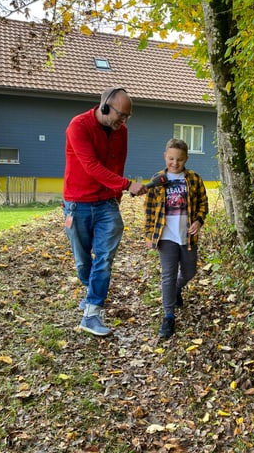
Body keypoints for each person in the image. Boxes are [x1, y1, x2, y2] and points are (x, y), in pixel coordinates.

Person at [62, 87, 147, 336]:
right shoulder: (78, 126)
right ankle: (92, 295)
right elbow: (92, 166)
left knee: (104, 258)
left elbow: (118, 164)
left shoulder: (122, 132)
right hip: (77, 204)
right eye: (121, 115)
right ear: (105, 107)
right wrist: (127, 185)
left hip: (107, 202)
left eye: (127, 117)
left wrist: (117, 196)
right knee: (82, 261)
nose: (123, 121)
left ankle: (92, 313)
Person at [144, 138, 209, 339]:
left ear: (186, 159)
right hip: (166, 237)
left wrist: (198, 221)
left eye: (179, 159)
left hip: (187, 236)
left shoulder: (194, 179)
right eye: (171, 158)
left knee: (190, 270)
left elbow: (203, 204)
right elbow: (148, 210)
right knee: (168, 275)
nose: (175, 163)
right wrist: (148, 234)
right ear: (165, 157)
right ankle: (168, 316)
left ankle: (176, 289)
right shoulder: (157, 180)